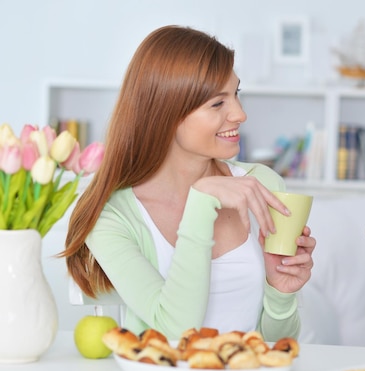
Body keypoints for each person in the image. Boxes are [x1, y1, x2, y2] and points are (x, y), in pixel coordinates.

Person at [63, 25, 316, 342]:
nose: (240, 114)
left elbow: (279, 343)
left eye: (236, 94)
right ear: (166, 112)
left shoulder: (261, 184)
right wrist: (201, 201)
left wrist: (280, 292)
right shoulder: (111, 216)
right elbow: (174, 332)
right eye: (217, 103)